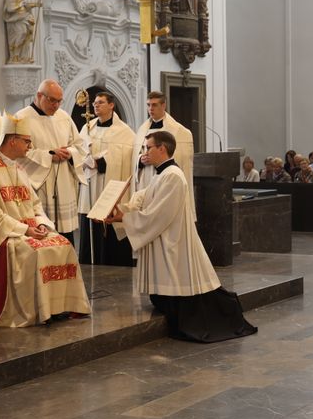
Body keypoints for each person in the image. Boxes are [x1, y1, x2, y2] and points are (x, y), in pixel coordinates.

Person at [105, 131, 256, 343]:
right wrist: (122, 210)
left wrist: (126, 218)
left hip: (172, 240)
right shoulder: (161, 174)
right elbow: (145, 197)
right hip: (165, 238)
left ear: (162, 149)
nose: (145, 152)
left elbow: (159, 214)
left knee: (180, 286)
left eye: (148, 147)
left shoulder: (173, 175)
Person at [0, 119, 90, 326]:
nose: (30, 147)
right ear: (12, 141)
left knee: (63, 244)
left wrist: (41, 223)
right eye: (27, 142)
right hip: (6, 235)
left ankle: (57, 306)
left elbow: (35, 204)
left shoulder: (19, 170)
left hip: (29, 229)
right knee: (36, 251)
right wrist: (25, 230)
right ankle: (39, 309)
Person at [14, 79, 87, 245]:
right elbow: (18, 152)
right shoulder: (22, 118)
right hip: (39, 185)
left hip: (63, 183)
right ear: (39, 96)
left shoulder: (64, 117)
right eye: (52, 100)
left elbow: (79, 146)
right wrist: (48, 155)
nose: (56, 106)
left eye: (59, 101)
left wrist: (69, 153)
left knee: (65, 236)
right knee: (43, 234)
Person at [78, 91, 137, 266]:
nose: (96, 105)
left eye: (101, 102)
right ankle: (89, 261)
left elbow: (127, 157)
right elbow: (78, 150)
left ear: (111, 105)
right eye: (95, 103)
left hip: (108, 184)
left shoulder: (125, 132)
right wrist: (85, 158)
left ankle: (112, 262)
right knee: (91, 226)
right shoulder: (87, 128)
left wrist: (102, 162)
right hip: (90, 184)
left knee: (109, 222)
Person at [134, 91, 194, 193]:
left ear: (163, 105)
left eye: (154, 105)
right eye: (148, 105)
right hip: (146, 177)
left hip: (167, 180)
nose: (150, 108)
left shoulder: (180, 131)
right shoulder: (142, 130)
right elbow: (136, 155)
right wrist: (140, 160)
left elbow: (182, 161)